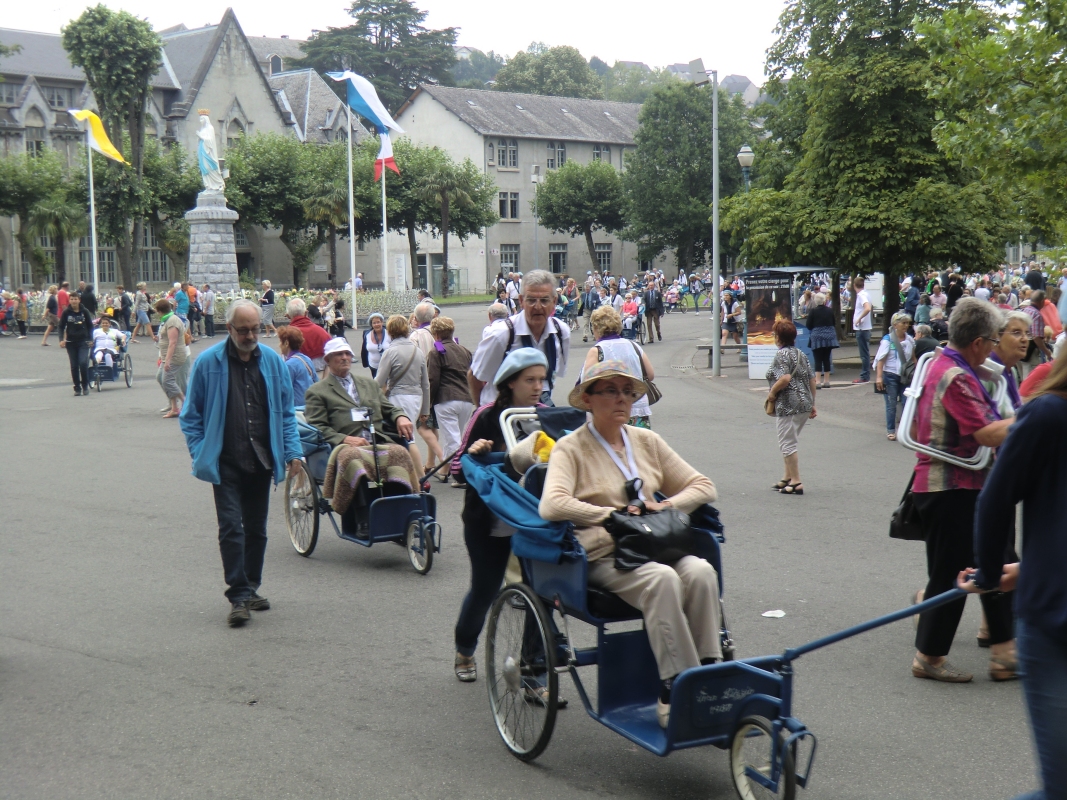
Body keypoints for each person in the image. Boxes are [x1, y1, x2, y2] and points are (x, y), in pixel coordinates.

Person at [540, 360, 720, 728]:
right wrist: (607, 516)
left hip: (656, 544)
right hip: (606, 554)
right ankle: (675, 686)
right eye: (611, 391)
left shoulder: (647, 441)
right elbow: (552, 504)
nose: (622, 399)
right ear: (588, 400)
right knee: (662, 580)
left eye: (627, 392)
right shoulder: (570, 449)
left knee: (701, 570)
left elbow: (704, 487)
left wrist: (664, 504)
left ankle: (710, 673)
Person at [960, 350, 1067, 800]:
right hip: (1053, 626)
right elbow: (996, 499)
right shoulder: (1049, 415)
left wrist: (1027, 568)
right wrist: (988, 570)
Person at [908, 298, 1016, 683]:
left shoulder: (949, 365)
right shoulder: (957, 375)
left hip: (955, 486)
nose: (994, 348)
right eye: (993, 340)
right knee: (950, 576)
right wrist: (1034, 418)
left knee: (968, 568)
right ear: (977, 342)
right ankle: (930, 657)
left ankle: (992, 648)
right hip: (951, 486)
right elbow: (986, 431)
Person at [179, 299, 302, 627]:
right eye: (243, 330)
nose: (250, 336)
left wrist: (293, 453)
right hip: (226, 461)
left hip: (262, 460)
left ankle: (251, 585)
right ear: (229, 328)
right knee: (232, 527)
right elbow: (190, 416)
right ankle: (238, 594)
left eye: (255, 329)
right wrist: (200, 451)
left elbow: (286, 413)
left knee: (257, 530)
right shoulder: (209, 363)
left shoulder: (274, 363)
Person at [452, 348, 551, 681]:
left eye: (541, 379)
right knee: (485, 590)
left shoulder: (547, 416)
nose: (538, 386)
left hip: (533, 521)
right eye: (530, 380)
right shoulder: (484, 417)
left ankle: (532, 673)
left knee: (541, 595)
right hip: (489, 523)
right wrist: (476, 454)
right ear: (509, 383)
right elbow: (458, 469)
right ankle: (465, 650)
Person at [469, 269, 570, 407]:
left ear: (554, 301)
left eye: (545, 300)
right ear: (521, 301)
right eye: (531, 300)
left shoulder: (561, 332)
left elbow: (552, 378)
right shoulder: (501, 334)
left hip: (537, 417)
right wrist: (482, 413)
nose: (538, 306)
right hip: (501, 418)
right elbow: (475, 377)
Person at [303, 337, 415, 447]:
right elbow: (317, 426)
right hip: (346, 447)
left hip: (379, 441)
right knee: (356, 462)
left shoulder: (370, 384)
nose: (344, 358)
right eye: (339, 354)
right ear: (327, 360)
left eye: (347, 354)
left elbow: (389, 409)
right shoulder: (317, 391)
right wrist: (344, 439)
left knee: (400, 457)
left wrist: (400, 417)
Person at [375, 315, 431, 483]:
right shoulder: (418, 351)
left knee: (406, 437)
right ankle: (412, 475)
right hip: (416, 397)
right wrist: (425, 409)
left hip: (398, 396)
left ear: (390, 332)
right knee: (408, 433)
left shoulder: (390, 352)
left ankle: (420, 478)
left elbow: (379, 381)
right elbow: (425, 383)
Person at [765, 320, 817, 495]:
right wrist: (812, 403)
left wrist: (772, 392)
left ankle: (796, 481)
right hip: (804, 403)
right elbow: (812, 379)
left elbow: (785, 378)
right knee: (790, 441)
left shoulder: (781, 356)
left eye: (774, 334)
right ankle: (787, 477)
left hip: (788, 404)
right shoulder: (801, 353)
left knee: (787, 444)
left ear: (779, 337)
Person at [581, 306, 655, 428]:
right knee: (639, 444)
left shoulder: (598, 350)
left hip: (611, 411)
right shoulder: (633, 346)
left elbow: (586, 382)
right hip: (638, 407)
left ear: (596, 328)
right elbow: (650, 375)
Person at [426, 316, 474, 486]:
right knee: (453, 438)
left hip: (446, 400)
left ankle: (463, 475)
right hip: (466, 399)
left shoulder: (436, 352)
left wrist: (428, 404)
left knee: (454, 441)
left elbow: (432, 380)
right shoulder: (465, 350)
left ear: (436, 333)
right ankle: (444, 471)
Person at [409, 302, 447, 476]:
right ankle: (430, 463)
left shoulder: (415, 336)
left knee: (422, 425)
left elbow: (413, 361)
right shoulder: (439, 334)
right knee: (432, 427)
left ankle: (442, 458)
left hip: (422, 384)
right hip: (439, 382)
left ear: (415, 319)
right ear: (433, 316)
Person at [874, 312, 915, 441]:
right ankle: (891, 430)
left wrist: (917, 373)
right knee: (891, 404)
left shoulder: (909, 340)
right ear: (895, 324)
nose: (906, 325)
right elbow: (881, 360)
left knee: (906, 402)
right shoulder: (888, 340)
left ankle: (904, 430)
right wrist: (879, 377)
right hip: (890, 375)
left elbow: (913, 359)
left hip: (905, 376)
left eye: (908, 323)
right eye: (903, 323)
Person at [155, 298, 187, 418]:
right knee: (160, 378)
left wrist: (167, 361)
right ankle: (174, 407)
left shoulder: (172, 321)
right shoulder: (167, 319)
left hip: (174, 356)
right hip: (166, 356)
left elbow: (172, 342)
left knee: (167, 380)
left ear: (159, 311)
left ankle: (185, 401)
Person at [59, 292, 95, 396]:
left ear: (79, 300)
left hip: (83, 341)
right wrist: (61, 339)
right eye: (72, 299)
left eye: (75, 299)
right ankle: (77, 388)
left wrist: (91, 339)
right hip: (71, 342)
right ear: (69, 300)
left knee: (83, 363)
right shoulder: (66, 312)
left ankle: (85, 385)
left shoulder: (85, 312)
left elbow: (90, 326)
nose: (74, 301)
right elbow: (61, 326)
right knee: (74, 366)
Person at [284, 297, 331, 372]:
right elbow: (330, 360)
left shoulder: (287, 334)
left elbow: (286, 360)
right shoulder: (322, 332)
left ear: (288, 316)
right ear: (306, 313)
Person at [805, 292, 839, 389]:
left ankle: (818, 381)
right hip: (829, 336)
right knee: (826, 358)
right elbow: (833, 322)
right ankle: (827, 381)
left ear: (816, 301)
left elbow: (808, 325)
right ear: (824, 301)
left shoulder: (813, 311)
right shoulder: (830, 310)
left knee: (818, 359)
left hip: (817, 337)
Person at [277, 325, 316, 407]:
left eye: (281, 342)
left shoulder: (289, 365)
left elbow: (284, 390)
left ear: (286, 343)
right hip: (311, 405)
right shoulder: (306, 358)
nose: (279, 345)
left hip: (297, 409)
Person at [852, 277, 873, 383]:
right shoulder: (867, 294)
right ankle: (866, 374)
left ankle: (864, 375)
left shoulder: (861, 295)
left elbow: (867, 308)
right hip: (865, 327)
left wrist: (859, 319)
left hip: (862, 328)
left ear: (854, 285)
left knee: (864, 354)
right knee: (865, 353)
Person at [360, 312, 391, 378]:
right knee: (377, 385)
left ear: (382, 322)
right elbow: (364, 349)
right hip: (373, 366)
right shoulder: (367, 334)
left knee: (388, 385)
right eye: (374, 323)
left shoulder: (389, 333)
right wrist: (365, 363)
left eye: (378, 322)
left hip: (388, 366)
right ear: (371, 324)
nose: (377, 324)